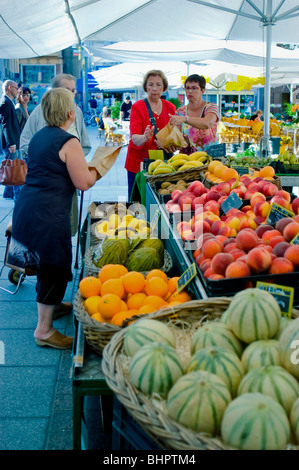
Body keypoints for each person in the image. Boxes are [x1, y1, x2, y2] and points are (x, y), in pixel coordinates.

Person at [7, 88, 99, 350]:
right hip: (48, 213)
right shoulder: (69, 141)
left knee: (44, 262)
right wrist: (96, 172)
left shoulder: (39, 137)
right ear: (70, 113)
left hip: (28, 208)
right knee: (53, 266)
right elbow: (83, 182)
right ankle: (44, 330)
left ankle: (54, 305)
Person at [20, 73, 91, 237]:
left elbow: (84, 145)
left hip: (65, 187)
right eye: (67, 90)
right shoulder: (40, 113)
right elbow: (25, 144)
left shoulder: (77, 112)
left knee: (62, 232)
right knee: (50, 239)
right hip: (47, 192)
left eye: (73, 90)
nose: (71, 95)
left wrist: (75, 163)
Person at [125, 69, 176, 200]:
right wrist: (145, 137)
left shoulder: (170, 107)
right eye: (151, 84)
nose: (154, 88)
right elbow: (134, 138)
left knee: (160, 200)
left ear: (164, 87)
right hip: (139, 164)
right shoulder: (137, 107)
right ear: (145, 87)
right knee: (137, 201)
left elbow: (173, 134)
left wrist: (170, 143)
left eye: (158, 84)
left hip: (162, 164)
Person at [169, 74, 220, 151]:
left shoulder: (211, 107)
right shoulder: (180, 112)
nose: (190, 91)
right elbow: (177, 138)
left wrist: (185, 119)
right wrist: (168, 143)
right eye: (187, 88)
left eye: (194, 88)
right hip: (187, 159)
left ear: (202, 90)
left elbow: (207, 123)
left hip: (211, 157)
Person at [0, 79, 21, 200]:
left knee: (11, 168)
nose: (17, 90)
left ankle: (8, 193)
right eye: (15, 88)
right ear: (9, 88)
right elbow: (6, 125)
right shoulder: (5, 103)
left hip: (13, 141)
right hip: (10, 143)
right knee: (14, 169)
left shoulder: (8, 102)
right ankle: (15, 195)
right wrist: (11, 143)